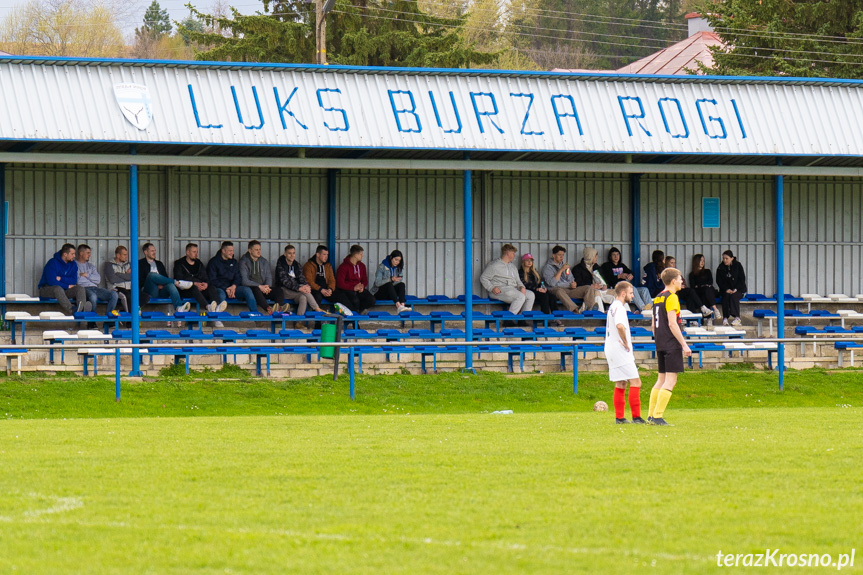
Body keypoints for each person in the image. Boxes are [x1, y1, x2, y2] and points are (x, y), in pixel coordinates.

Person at [648, 267, 692, 426]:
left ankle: (651, 416)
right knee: (670, 380)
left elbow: (653, 324)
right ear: (673, 281)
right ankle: (658, 417)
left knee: (661, 379)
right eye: (680, 278)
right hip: (671, 344)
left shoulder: (658, 297)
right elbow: (673, 324)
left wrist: (660, 338)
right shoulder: (672, 297)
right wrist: (684, 344)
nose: (682, 281)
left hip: (660, 342)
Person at [603, 281, 646, 424]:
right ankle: (636, 417)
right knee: (636, 382)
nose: (633, 296)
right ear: (623, 293)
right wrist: (626, 342)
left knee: (620, 383)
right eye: (631, 293)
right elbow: (620, 326)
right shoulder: (620, 308)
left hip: (610, 348)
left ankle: (620, 418)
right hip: (619, 349)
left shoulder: (612, 307)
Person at [480, 244, 535, 324]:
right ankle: (508, 320)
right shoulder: (494, 265)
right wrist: (491, 287)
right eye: (513, 253)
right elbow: (483, 277)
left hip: (512, 289)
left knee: (530, 295)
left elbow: (518, 280)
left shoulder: (512, 266)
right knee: (520, 296)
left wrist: (521, 287)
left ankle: (522, 319)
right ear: (508, 253)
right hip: (499, 290)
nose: (514, 255)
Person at [207, 241, 258, 316]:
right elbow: (212, 280)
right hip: (220, 288)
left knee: (246, 290)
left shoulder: (234, 262)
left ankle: (256, 316)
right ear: (223, 251)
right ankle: (217, 318)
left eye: (233, 250)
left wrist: (234, 286)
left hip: (232, 289)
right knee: (221, 295)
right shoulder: (213, 262)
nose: (232, 253)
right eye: (230, 251)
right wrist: (226, 288)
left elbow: (238, 277)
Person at [37, 243, 91, 315]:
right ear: (65, 254)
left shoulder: (73, 264)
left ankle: (82, 309)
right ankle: (72, 309)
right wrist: (67, 286)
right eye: (72, 254)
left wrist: (61, 278)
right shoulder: (52, 263)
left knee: (80, 288)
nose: (74, 256)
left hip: (64, 291)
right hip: (46, 289)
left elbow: (74, 280)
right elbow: (52, 282)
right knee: (57, 288)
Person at [541, 245, 596, 313]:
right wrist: (561, 270)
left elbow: (570, 278)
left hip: (569, 289)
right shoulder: (547, 268)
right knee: (559, 291)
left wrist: (573, 283)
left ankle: (590, 309)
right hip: (556, 290)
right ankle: (575, 309)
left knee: (588, 288)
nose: (561, 257)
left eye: (563, 255)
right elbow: (552, 283)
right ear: (553, 255)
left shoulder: (565, 266)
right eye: (559, 255)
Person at [138, 243, 191, 315]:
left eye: (155, 251)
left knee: (170, 285)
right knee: (151, 275)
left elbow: (164, 278)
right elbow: (140, 281)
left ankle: (179, 307)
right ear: (145, 252)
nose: (154, 252)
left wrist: (162, 285)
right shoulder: (140, 263)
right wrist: (156, 285)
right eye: (152, 251)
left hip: (161, 290)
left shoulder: (159, 263)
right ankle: (177, 282)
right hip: (149, 291)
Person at [173, 243, 222, 313]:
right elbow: (179, 278)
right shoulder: (179, 264)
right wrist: (193, 283)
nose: (196, 254)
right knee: (193, 288)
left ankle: (217, 308)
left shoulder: (199, 264)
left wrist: (206, 284)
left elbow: (206, 277)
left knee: (212, 288)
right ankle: (208, 307)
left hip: (200, 289)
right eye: (194, 252)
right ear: (187, 252)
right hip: (185, 290)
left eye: (197, 252)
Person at [599, 247, 651, 312]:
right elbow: (607, 279)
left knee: (644, 290)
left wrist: (630, 275)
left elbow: (630, 272)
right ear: (610, 256)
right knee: (632, 289)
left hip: (626, 287)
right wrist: (619, 276)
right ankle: (643, 309)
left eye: (617, 254)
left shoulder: (622, 265)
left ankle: (651, 309)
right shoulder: (606, 266)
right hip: (616, 288)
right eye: (613, 255)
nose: (616, 256)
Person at [664, 256, 715, 322]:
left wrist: (683, 285)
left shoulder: (676, 272)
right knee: (691, 291)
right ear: (667, 263)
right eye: (671, 263)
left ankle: (693, 319)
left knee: (690, 298)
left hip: (681, 289)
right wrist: (677, 285)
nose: (673, 264)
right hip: (674, 291)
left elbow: (682, 281)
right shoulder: (665, 273)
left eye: (674, 263)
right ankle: (703, 307)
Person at [276, 244, 322, 316]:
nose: (292, 255)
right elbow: (285, 282)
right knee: (305, 293)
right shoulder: (281, 264)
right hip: (283, 290)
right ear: (285, 254)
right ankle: (317, 309)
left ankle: (298, 322)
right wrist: (299, 288)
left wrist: (306, 286)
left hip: (296, 291)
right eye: (289, 253)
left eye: (293, 253)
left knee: (303, 298)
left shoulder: (297, 265)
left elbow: (302, 278)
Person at [518, 253, 561, 326]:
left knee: (552, 296)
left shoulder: (534, 272)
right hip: (530, 291)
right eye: (527, 260)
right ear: (523, 262)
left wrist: (543, 288)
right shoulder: (521, 272)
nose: (529, 262)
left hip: (538, 290)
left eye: (531, 261)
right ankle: (545, 319)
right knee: (544, 296)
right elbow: (524, 285)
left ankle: (556, 317)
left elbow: (540, 282)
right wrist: (537, 289)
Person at [75, 244, 118, 317]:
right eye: (88, 253)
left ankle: (109, 320)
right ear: (81, 253)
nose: (90, 255)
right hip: (83, 288)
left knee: (114, 295)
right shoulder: (74, 265)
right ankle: (92, 322)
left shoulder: (91, 266)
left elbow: (98, 280)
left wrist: (86, 275)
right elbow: (78, 281)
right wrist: (91, 279)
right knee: (93, 296)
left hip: (95, 287)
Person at [334, 244, 376, 314]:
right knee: (355, 300)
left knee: (371, 300)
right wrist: (353, 288)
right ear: (355, 255)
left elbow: (365, 280)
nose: (362, 256)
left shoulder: (362, 266)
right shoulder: (343, 267)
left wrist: (362, 286)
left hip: (359, 289)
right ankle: (355, 320)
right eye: (361, 254)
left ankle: (357, 313)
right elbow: (340, 283)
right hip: (347, 290)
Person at [239, 240, 278, 314]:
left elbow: (268, 277)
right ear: (250, 251)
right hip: (252, 288)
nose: (259, 252)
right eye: (256, 250)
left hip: (263, 289)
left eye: (260, 249)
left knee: (279, 291)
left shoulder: (263, 261)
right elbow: (244, 281)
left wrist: (267, 286)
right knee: (256, 289)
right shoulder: (244, 261)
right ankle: (268, 309)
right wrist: (259, 286)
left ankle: (279, 310)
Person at [370, 249, 412, 313]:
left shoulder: (398, 267)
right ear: (391, 258)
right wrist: (391, 279)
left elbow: (399, 281)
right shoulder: (382, 267)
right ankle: (398, 306)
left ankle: (402, 305)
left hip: (391, 294)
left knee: (401, 284)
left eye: (399, 261)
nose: (397, 262)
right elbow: (377, 283)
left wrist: (396, 280)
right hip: (379, 293)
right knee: (388, 284)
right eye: (396, 260)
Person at [572, 247, 611, 312]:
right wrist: (591, 286)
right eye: (595, 256)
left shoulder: (597, 268)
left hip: (601, 291)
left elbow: (605, 280)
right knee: (596, 295)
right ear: (590, 256)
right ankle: (601, 314)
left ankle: (624, 314)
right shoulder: (577, 269)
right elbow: (577, 284)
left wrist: (605, 285)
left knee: (616, 295)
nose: (597, 258)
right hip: (588, 292)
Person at [716, 249, 747, 326]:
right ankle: (725, 317)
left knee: (734, 297)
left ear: (732, 258)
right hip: (726, 290)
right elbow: (719, 281)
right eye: (723, 258)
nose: (725, 260)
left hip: (739, 289)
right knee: (725, 297)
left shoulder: (738, 266)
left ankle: (737, 317)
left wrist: (736, 289)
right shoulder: (720, 267)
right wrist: (726, 289)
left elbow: (742, 279)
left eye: (727, 258)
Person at [689, 254, 721, 324]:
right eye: (700, 261)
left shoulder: (707, 271)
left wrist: (700, 285)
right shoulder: (692, 274)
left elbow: (710, 282)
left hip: (708, 291)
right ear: (696, 262)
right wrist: (703, 285)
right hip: (699, 292)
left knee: (707, 290)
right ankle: (711, 315)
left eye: (703, 261)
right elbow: (693, 286)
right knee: (705, 292)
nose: (702, 262)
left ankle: (713, 312)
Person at [103, 246, 132, 312]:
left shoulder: (129, 264)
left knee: (144, 296)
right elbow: (113, 279)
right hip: (116, 288)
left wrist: (118, 274)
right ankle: (129, 320)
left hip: (129, 287)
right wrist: (127, 276)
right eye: (124, 255)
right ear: (118, 255)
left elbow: (133, 277)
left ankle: (124, 312)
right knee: (128, 297)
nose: (126, 257)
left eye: (127, 255)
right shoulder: (109, 264)